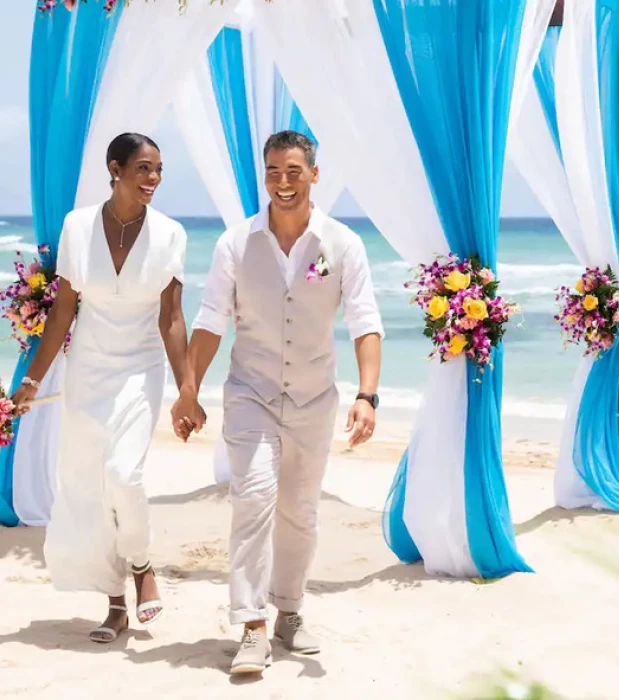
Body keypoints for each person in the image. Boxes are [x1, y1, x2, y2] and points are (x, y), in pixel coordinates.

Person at [171, 130, 383, 675]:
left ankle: (289, 610)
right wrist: (189, 391)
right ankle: (251, 626)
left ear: (315, 174)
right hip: (251, 393)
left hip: (316, 398)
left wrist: (367, 395)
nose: (282, 182)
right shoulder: (235, 243)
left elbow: (365, 322)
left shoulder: (343, 244)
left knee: (301, 512)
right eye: (272, 171)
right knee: (254, 499)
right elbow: (211, 321)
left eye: (293, 170)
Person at [11, 133, 188, 644]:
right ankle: (115, 604)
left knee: (123, 475)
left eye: (158, 170)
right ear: (116, 169)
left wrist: (187, 389)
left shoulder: (171, 234)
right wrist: (30, 380)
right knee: (89, 488)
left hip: (140, 368)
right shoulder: (77, 226)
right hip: (87, 369)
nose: (153, 179)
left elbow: (172, 318)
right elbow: (63, 311)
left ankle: (142, 566)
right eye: (144, 168)